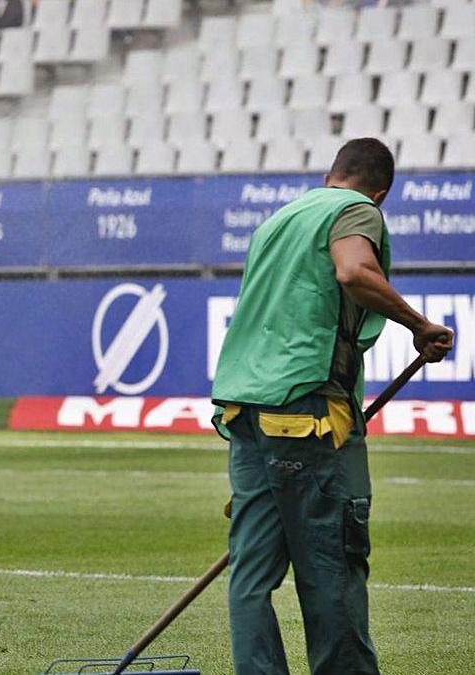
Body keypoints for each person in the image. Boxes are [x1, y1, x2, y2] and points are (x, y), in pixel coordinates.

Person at [211, 137, 454, 675]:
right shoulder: (356, 209)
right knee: (331, 566)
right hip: (306, 412)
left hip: (244, 410)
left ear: (330, 174)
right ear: (381, 191)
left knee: (250, 578)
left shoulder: (279, 220)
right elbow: (353, 272)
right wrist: (419, 326)